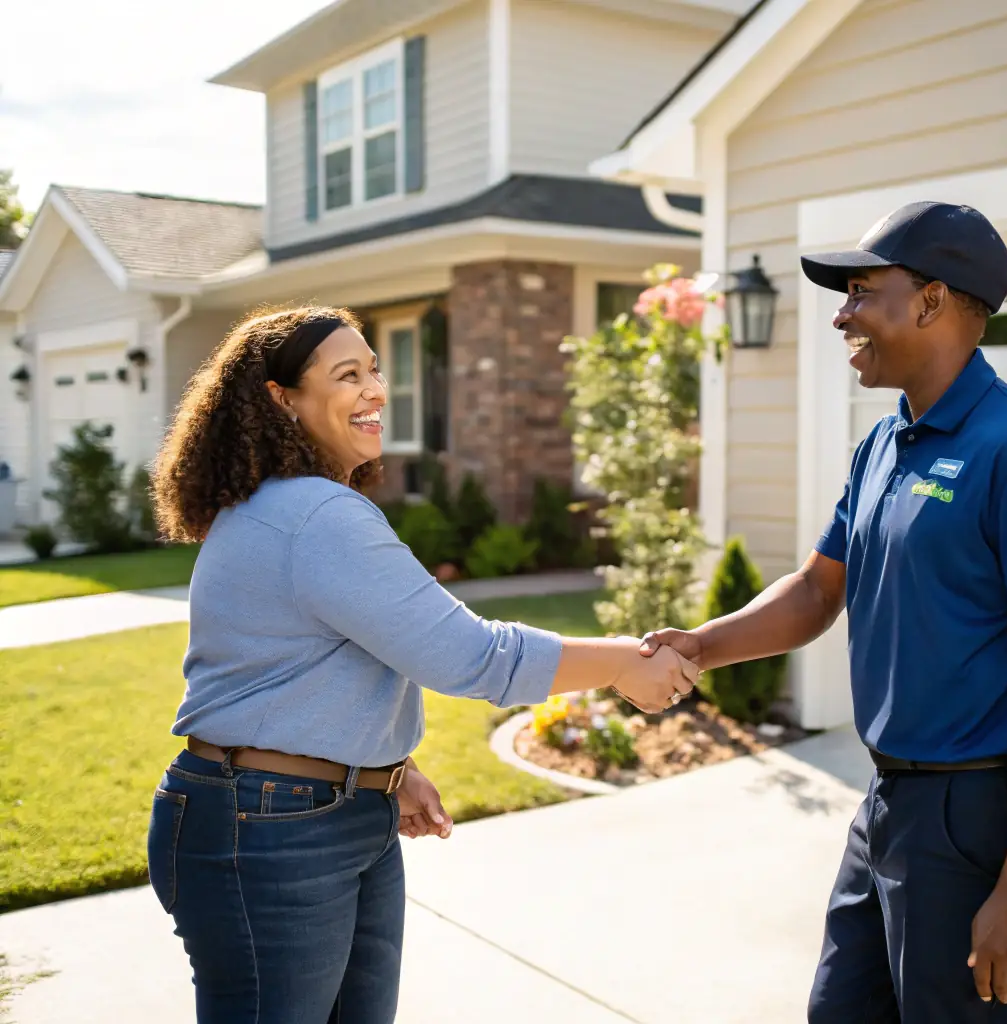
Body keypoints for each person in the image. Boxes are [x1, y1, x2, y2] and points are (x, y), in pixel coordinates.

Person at [146, 306, 697, 1023]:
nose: (376, 388)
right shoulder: (314, 515)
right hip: (269, 827)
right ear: (282, 400)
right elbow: (470, 656)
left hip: (317, 813)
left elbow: (302, 670)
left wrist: (383, 768)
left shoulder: (284, 508)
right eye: (348, 375)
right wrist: (623, 661)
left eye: (374, 368)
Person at [642, 202, 1007, 1022]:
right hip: (891, 805)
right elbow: (821, 588)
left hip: (981, 818)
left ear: (930, 301)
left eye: (861, 291)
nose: (840, 313)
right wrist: (698, 648)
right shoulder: (884, 443)